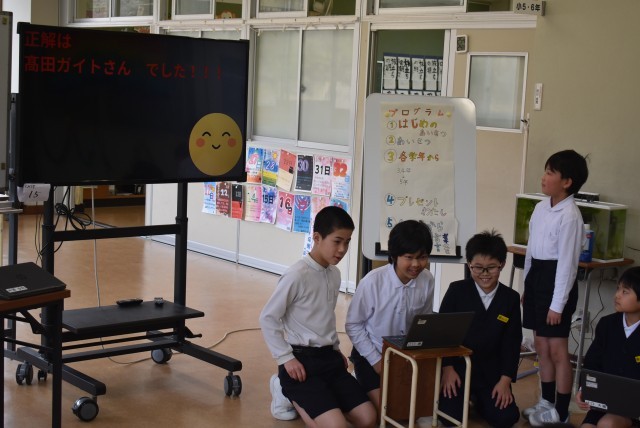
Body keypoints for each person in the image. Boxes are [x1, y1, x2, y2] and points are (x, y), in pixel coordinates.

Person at [259, 206, 377, 428]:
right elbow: (268, 318)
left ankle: (319, 399)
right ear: (316, 238)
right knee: (336, 426)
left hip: (329, 359)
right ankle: (285, 390)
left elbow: (325, 317)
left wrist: (335, 348)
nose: (342, 249)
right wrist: (286, 358)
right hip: (300, 362)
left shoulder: (334, 274)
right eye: (337, 241)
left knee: (368, 419)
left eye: (347, 242)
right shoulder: (296, 275)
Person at [522, 149, 589, 425]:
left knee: (558, 350)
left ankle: (562, 411)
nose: (543, 177)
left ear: (567, 182)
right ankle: (546, 401)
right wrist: (527, 285)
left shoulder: (570, 216)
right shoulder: (541, 208)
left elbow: (567, 265)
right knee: (541, 345)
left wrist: (557, 305)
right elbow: (530, 250)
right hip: (537, 277)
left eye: (550, 173)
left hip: (556, 283)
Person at [345, 219, 435, 411]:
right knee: (389, 410)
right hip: (371, 355)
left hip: (405, 356)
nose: (416, 264)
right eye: (409, 257)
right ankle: (359, 379)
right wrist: (376, 361)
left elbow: (424, 321)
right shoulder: (372, 282)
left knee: (417, 407)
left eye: (422, 257)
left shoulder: (427, 280)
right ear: (394, 255)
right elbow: (353, 325)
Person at [438, 230, 522, 428]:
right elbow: (443, 334)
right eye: (478, 268)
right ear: (469, 265)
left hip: (492, 374)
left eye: (491, 267)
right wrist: (447, 369)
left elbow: (512, 343)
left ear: (502, 264)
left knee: (507, 418)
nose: (484, 274)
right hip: (459, 370)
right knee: (450, 418)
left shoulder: (510, 298)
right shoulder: (456, 291)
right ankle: (470, 399)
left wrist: (505, 381)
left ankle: (479, 400)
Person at [575, 266, 640, 428]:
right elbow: (592, 362)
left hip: (633, 410)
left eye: (625, 292)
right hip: (603, 402)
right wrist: (583, 389)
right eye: (618, 289)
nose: (617, 295)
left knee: (608, 424)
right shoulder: (607, 324)